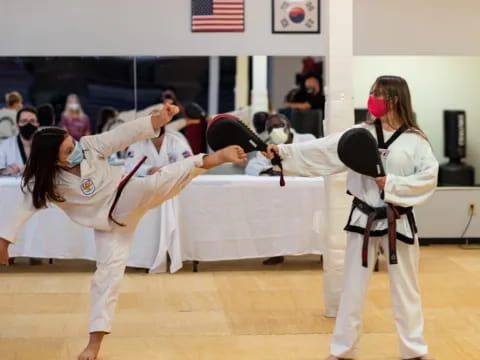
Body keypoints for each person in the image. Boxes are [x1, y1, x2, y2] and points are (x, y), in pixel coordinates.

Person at [0, 103, 247, 360]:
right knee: (105, 280)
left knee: (155, 182)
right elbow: (20, 209)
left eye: (72, 142)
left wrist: (156, 120)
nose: (76, 150)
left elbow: (122, 135)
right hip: (110, 226)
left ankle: (212, 159)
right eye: (68, 150)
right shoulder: (43, 183)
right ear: (52, 159)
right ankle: (94, 345)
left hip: (125, 194)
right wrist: (4, 242)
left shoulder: (89, 146)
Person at [264, 76, 437, 360]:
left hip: (399, 221)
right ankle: (343, 351)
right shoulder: (359, 134)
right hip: (363, 220)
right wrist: (283, 153)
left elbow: (429, 178)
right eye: (371, 93)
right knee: (352, 290)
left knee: (407, 291)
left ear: (396, 99)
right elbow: (322, 150)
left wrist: (391, 184)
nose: (373, 98)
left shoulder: (415, 141)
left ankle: (415, 351)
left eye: (379, 94)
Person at [125, 124, 193, 176]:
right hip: (145, 185)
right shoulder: (137, 144)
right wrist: (149, 170)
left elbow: (189, 165)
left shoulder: (176, 142)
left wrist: (169, 170)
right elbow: (129, 167)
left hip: (172, 183)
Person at [0, 106, 39, 176]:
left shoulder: (46, 146)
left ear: (38, 124)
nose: (28, 124)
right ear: (17, 125)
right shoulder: (5, 145)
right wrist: (5, 171)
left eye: (32, 121)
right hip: (13, 186)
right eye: (24, 121)